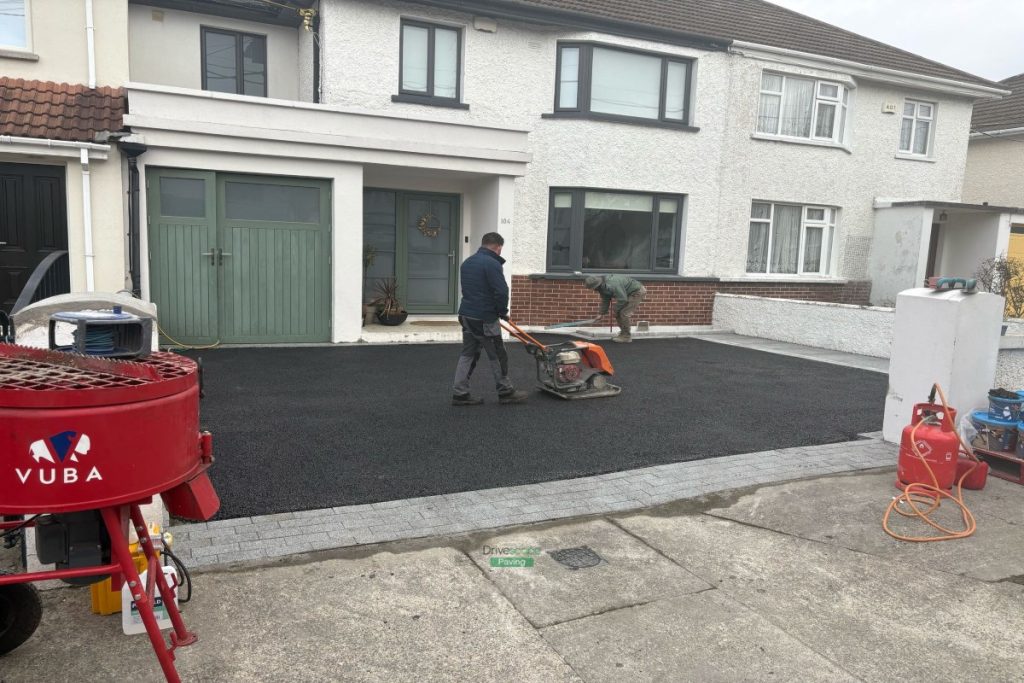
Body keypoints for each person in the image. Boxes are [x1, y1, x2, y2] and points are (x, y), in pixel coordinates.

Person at [451, 232, 528, 406]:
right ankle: (506, 391)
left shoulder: (467, 262)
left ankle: (460, 393)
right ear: (498, 247)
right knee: (497, 354)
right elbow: (501, 291)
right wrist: (502, 311)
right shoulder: (492, 263)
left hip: (466, 315)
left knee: (468, 354)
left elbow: (471, 290)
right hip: (484, 318)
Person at [584, 274, 647, 343]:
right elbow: (605, 300)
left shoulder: (612, 284)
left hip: (637, 292)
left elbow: (622, 299)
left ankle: (626, 337)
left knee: (624, 313)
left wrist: (615, 310)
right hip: (627, 293)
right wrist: (601, 314)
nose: (593, 290)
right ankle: (623, 333)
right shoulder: (601, 287)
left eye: (593, 288)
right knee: (618, 313)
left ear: (596, 285)